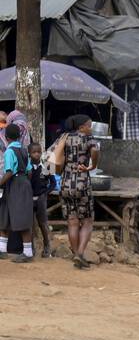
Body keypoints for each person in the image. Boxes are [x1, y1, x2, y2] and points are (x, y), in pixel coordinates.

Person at [53, 115, 99, 268]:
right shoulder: (88, 138)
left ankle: (75, 255)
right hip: (82, 183)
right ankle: (80, 254)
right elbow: (95, 151)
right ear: (81, 127)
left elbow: (54, 157)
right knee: (87, 221)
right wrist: (92, 166)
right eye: (89, 125)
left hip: (66, 183)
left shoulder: (63, 137)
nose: (90, 128)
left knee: (72, 222)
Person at [0, 124, 33, 262]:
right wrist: (24, 182)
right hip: (24, 183)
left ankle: (27, 253)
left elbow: (8, 172)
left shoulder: (9, 151)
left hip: (14, 184)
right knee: (6, 215)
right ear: (19, 136)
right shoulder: (25, 150)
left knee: (18, 217)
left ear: (6, 138)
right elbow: (30, 171)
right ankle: (2, 250)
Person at [29, 140, 53, 257]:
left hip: (41, 198)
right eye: (34, 152)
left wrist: (45, 194)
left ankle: (47, 246)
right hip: (28, 199)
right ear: (29, 154)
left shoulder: (47, 165)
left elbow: (53, 183)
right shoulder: (26, 167)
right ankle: (31, 248)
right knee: (30, 224)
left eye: (39, 152)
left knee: (43, 223)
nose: (37, 154)